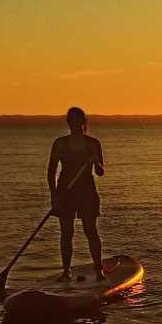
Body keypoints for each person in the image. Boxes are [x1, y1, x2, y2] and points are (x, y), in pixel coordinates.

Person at [48, 107, 105, 281]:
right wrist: (54, 197)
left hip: (87, 191)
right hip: (65, 191)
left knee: (91, 231)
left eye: (77, 120)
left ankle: (98, 270)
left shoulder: (93, 143)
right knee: (66, 232)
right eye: (70, 120)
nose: (74, 123)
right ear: (68, 122)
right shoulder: (60, 143)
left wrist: (95, 161)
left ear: (83, 121)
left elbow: (101, 171)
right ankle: (66, 272)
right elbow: (51, 172)